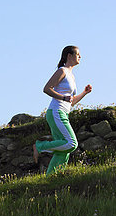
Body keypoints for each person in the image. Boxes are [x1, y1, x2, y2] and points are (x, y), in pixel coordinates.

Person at [33, 46, 92, 175]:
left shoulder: (72, 76)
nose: (80, 57)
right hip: (56, 112)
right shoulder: (62, 71)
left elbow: (71, 102)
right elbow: (47, 88)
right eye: (78, 54)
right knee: (71, 143)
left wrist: (84, 93)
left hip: (63, 112)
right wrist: (63, 97)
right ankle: (40, 146)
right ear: (69, 56)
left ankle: (52, 176)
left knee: (63, 149)